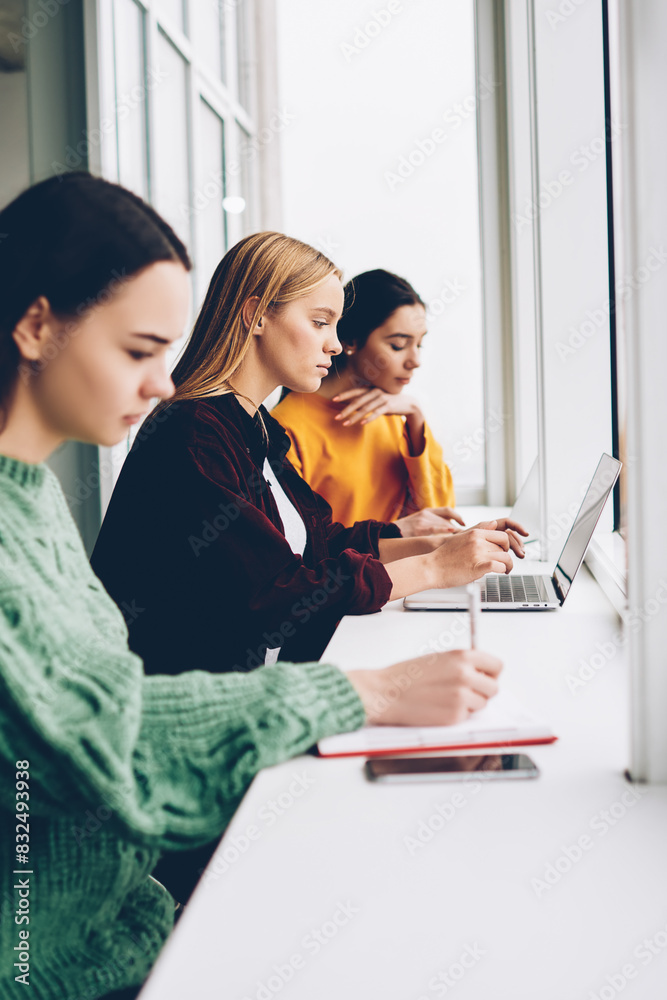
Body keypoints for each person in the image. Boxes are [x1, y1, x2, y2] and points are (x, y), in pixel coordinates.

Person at [0, 174, 504, 1000]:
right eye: (137, 351)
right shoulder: (179, 437)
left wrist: (404, 551)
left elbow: (302, 547)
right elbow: (105, 738)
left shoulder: (38, 498)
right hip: (55, 963)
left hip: (128, 916)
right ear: (35, 327)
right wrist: (362, 692)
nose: (162, 381)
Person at [91, 234, 526, 677]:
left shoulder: (256, 425)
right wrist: (433, 568)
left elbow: (318, 543)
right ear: (256, 316)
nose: (335, 345)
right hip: (190, 701)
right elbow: (274, 592)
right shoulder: (194, 433)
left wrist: (438, 545)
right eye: (321, 322)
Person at [272, 268, 462, 536]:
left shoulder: (400, 415)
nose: (415, 361)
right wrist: (393, 533)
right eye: (398, 345)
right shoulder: (287, 427)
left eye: (419, 345)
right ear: (350, 340)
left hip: (410, 572)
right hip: (354, 576)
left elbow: (440, 521)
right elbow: (303, 544)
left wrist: (416, 418)